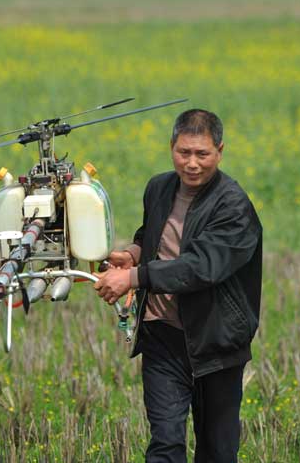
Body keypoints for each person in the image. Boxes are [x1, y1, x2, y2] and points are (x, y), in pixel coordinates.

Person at [94, 109, 262, 462]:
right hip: (162, 338)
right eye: (184, 152)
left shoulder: (234, 206)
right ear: (171, 146)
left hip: (216, 343)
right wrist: (133, 255)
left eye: (202, 154)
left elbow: (200, 267)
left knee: (217, 452)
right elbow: (152, 234)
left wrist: (134, 278)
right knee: (165, 444)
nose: (192, 163)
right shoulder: (159, 187)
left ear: (220, 151)